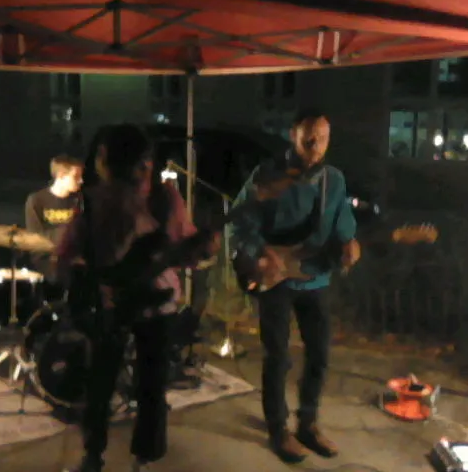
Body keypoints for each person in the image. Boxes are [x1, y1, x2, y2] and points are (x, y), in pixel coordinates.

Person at [57, 124, 220, 472]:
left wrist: (203, 247)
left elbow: (183, 248)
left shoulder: (163, 199)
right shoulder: (94, 201)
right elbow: (70, 253)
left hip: (153, 303)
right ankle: (97, 456)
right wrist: (90, 279)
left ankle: (136, 459)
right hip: (110, 305)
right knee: (105, 386)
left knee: (147, 386)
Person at [230, 111, 361, 464]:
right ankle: (278, 428)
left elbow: (343, 226)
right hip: (276, 278)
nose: (316, 146)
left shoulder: (334, 180)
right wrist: (260, 254)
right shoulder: (268, 175)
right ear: (293, 135)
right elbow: (239, 222)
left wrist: (350, 245)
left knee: (319, 353)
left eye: (323, 139)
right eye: (309, 138)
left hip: (315, 276)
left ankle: (308, 423)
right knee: (278, 356)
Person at [25, 154, 83, 296]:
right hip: (46, 259)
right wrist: (66, 234)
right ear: (61, 176)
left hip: (73, 258)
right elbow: (35, 238)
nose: (81, 181)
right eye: (76, 177)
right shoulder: (36, 200)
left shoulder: (80, 201)